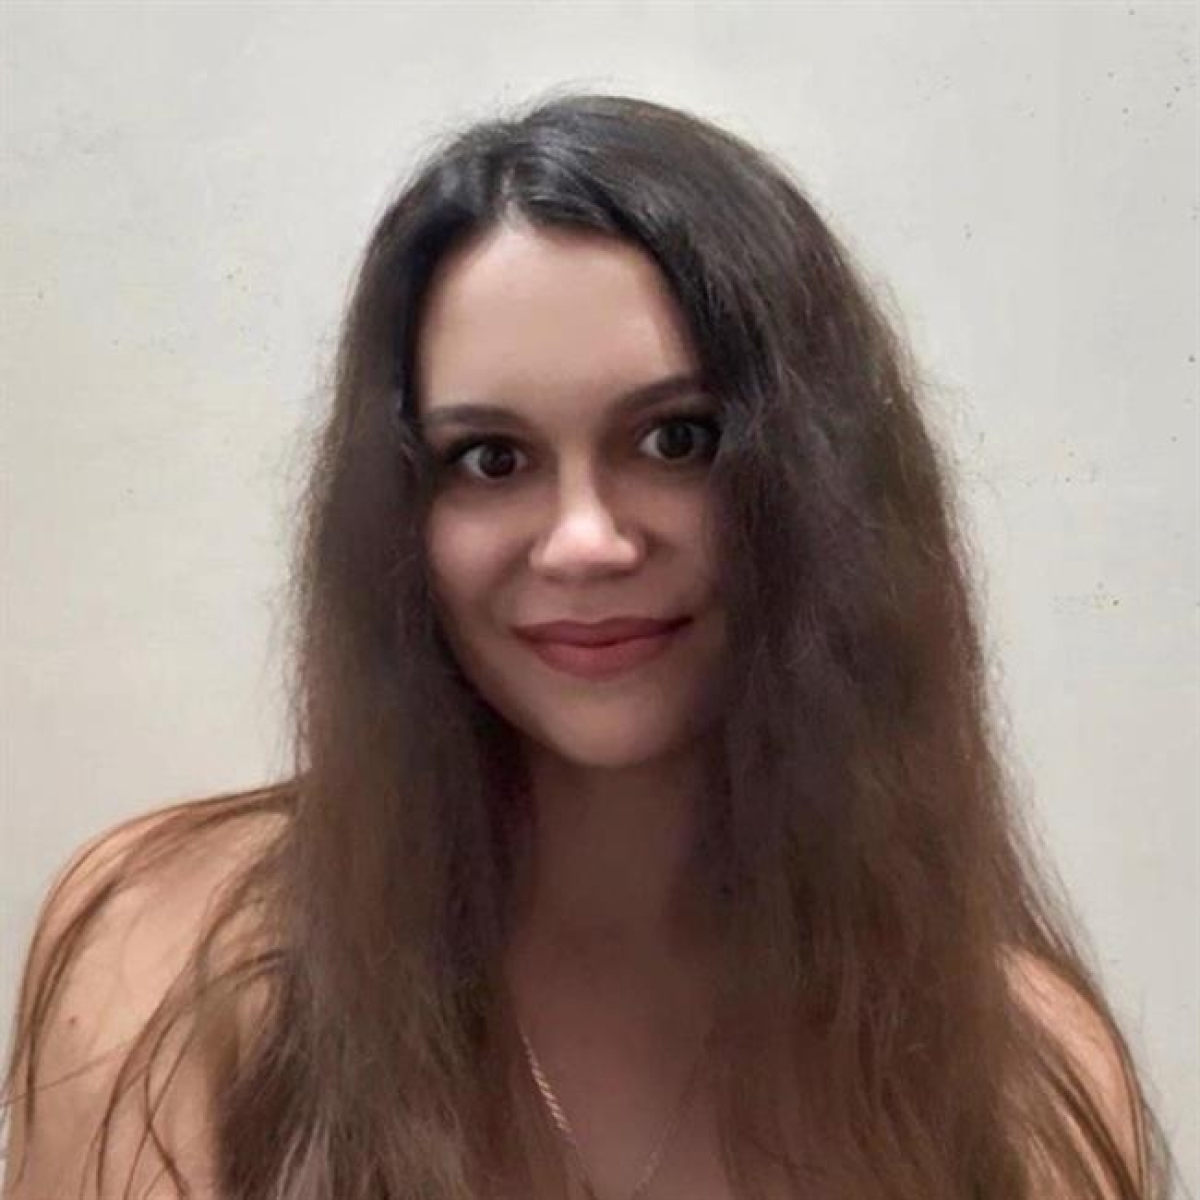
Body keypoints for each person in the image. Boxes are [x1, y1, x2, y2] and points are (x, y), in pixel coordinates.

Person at [0, 90, 1176, 1200]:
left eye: (677, 440)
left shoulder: (1026, 1071)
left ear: (825, 488)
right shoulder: (174, 953)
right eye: (491, 459)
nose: (584, 541)